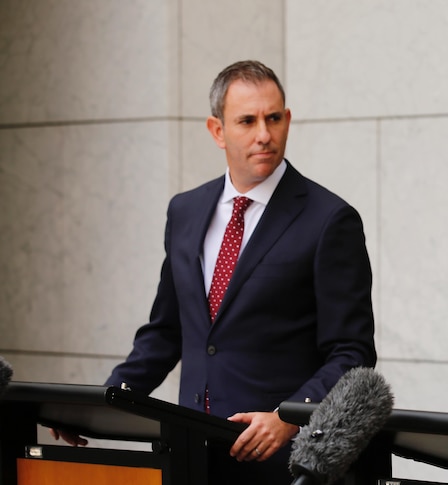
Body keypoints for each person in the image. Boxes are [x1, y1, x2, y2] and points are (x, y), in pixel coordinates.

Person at [52, 60, 376, 483]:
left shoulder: (329, 219)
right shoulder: (185, 211)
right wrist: (106, 401)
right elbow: (167, 331)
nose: (264, 134)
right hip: (191, 454)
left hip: (282, 464)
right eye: (247, 120)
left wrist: (290, 417)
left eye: (274, 118)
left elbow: (352, 353)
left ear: (287, 120)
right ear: (217, 130)